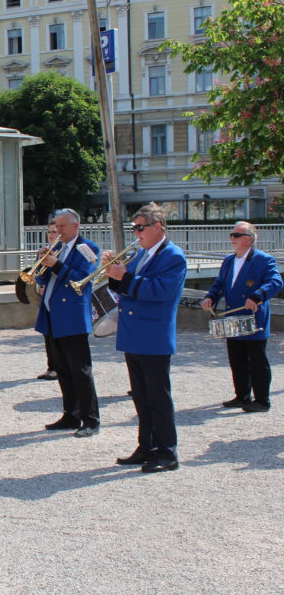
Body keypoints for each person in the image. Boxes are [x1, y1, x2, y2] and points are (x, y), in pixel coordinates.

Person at [105, 202, 187, 473]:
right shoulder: (141, 254)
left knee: (158, 397)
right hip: (135, 334)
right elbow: (126, 287)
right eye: (134, 227)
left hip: (153, 335)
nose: (136, 233)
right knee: (140, 396)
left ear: (158, 226)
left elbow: (160, 291)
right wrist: (114, 275)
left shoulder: (173, 256)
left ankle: (167, 451)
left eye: (140, 227)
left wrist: (124, 277)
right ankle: (146, 445)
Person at [201, 221, 282, 413]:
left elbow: (275, 282)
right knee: (236, 359)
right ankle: (242, 395)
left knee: (257, 360)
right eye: (232, 235)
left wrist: (258, 295)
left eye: (237, 235)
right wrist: (210, 297)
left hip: (253, 318)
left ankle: (262, 400)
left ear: (250, 239)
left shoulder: (264, 259)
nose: (232, 238)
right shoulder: (229, 260)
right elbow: (219, 283)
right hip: (233, 317)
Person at [34, 209, 102, 437]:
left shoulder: (88, 248)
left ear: (76, 226)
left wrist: (56, 265)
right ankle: (70, 415)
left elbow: (82, 278)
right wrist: (42, 264)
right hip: (52, 315)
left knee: (80, 371)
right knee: (62, 369)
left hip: (72, 317)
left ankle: (90, 419)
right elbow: (42, 278)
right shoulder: (57, 248)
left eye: (62, 226)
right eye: (56, 226)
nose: (58, 231)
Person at [37, 220, 60, 380]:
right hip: (47, 299)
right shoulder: (47, 250)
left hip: (58, 300)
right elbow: (40, 278)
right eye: (49, 232)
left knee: (57, 336)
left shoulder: (61, 252)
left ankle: (58, 368)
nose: (51, 235)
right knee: (48, 335)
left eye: (54, 231)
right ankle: (51, 366)